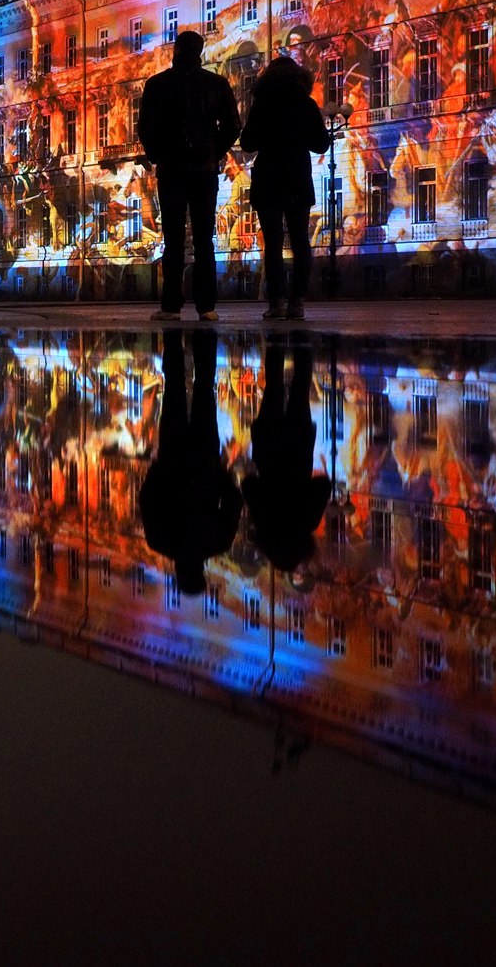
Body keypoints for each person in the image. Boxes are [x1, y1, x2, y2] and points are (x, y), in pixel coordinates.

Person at [136, 30, 241, 322]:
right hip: (204, 171)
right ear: (200, 52)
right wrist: (213, 153)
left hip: (171, 169)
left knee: (173, 238)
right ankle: (206, 306)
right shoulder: (217, 84)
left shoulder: (157, 85)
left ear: (176, 51)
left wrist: (158, 154)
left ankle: (171, 305)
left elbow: (146, 127)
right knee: (204, 239)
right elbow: (233, 126)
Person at [137, 327, 242, 594]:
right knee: (173, 388)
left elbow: (233, 501)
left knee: (204, 388)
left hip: (205, 460)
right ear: (179, 573)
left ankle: (205, 337)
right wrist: (157, 469)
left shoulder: (217, 543)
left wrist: (219, 474)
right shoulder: (159, 542)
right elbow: (147, 498)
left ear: (202, 573)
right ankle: (173, 337)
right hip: (172, 457)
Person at [241, 55, 331, 320]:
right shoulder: (307, 104)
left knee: (273, 242)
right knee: (301, 240)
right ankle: (298, 303)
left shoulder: (263, 103)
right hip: (297, 177)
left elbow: (248, 142)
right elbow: (322, 145)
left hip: (269, 176)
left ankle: (276, 302)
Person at [242, 333, 332, 574]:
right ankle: (276, 341)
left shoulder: (308, 521)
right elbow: (248, 484)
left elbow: (323, 484)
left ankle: (301, 342)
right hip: (269, 448)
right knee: (274, 388)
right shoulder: (263, 521)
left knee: (300, 387)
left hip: (298, 448)